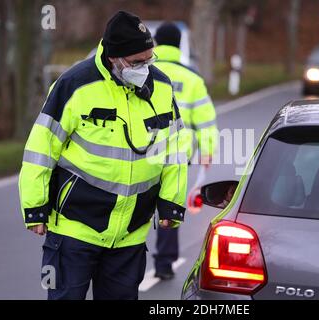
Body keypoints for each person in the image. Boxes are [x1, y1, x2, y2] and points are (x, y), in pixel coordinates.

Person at [18, 11, 187, 300]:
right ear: (114, 58)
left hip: (130, 235)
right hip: (75, 230)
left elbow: (174, 149)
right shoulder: (74, 85)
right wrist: (34, 208)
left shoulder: (161, 87)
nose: (145, 68)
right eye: (137, 62)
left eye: (150, 59)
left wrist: (172, 203)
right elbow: (41, 148)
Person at [152, 22, 218, 280]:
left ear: (156, 43)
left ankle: (124, 262)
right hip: (178, 154)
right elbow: (205, 120)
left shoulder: (146, 70)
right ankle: (164, 264)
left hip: (141, 150)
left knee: (136, 206)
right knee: (169, 205)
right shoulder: (192, 79)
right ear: (180, 45)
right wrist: (208, 150)